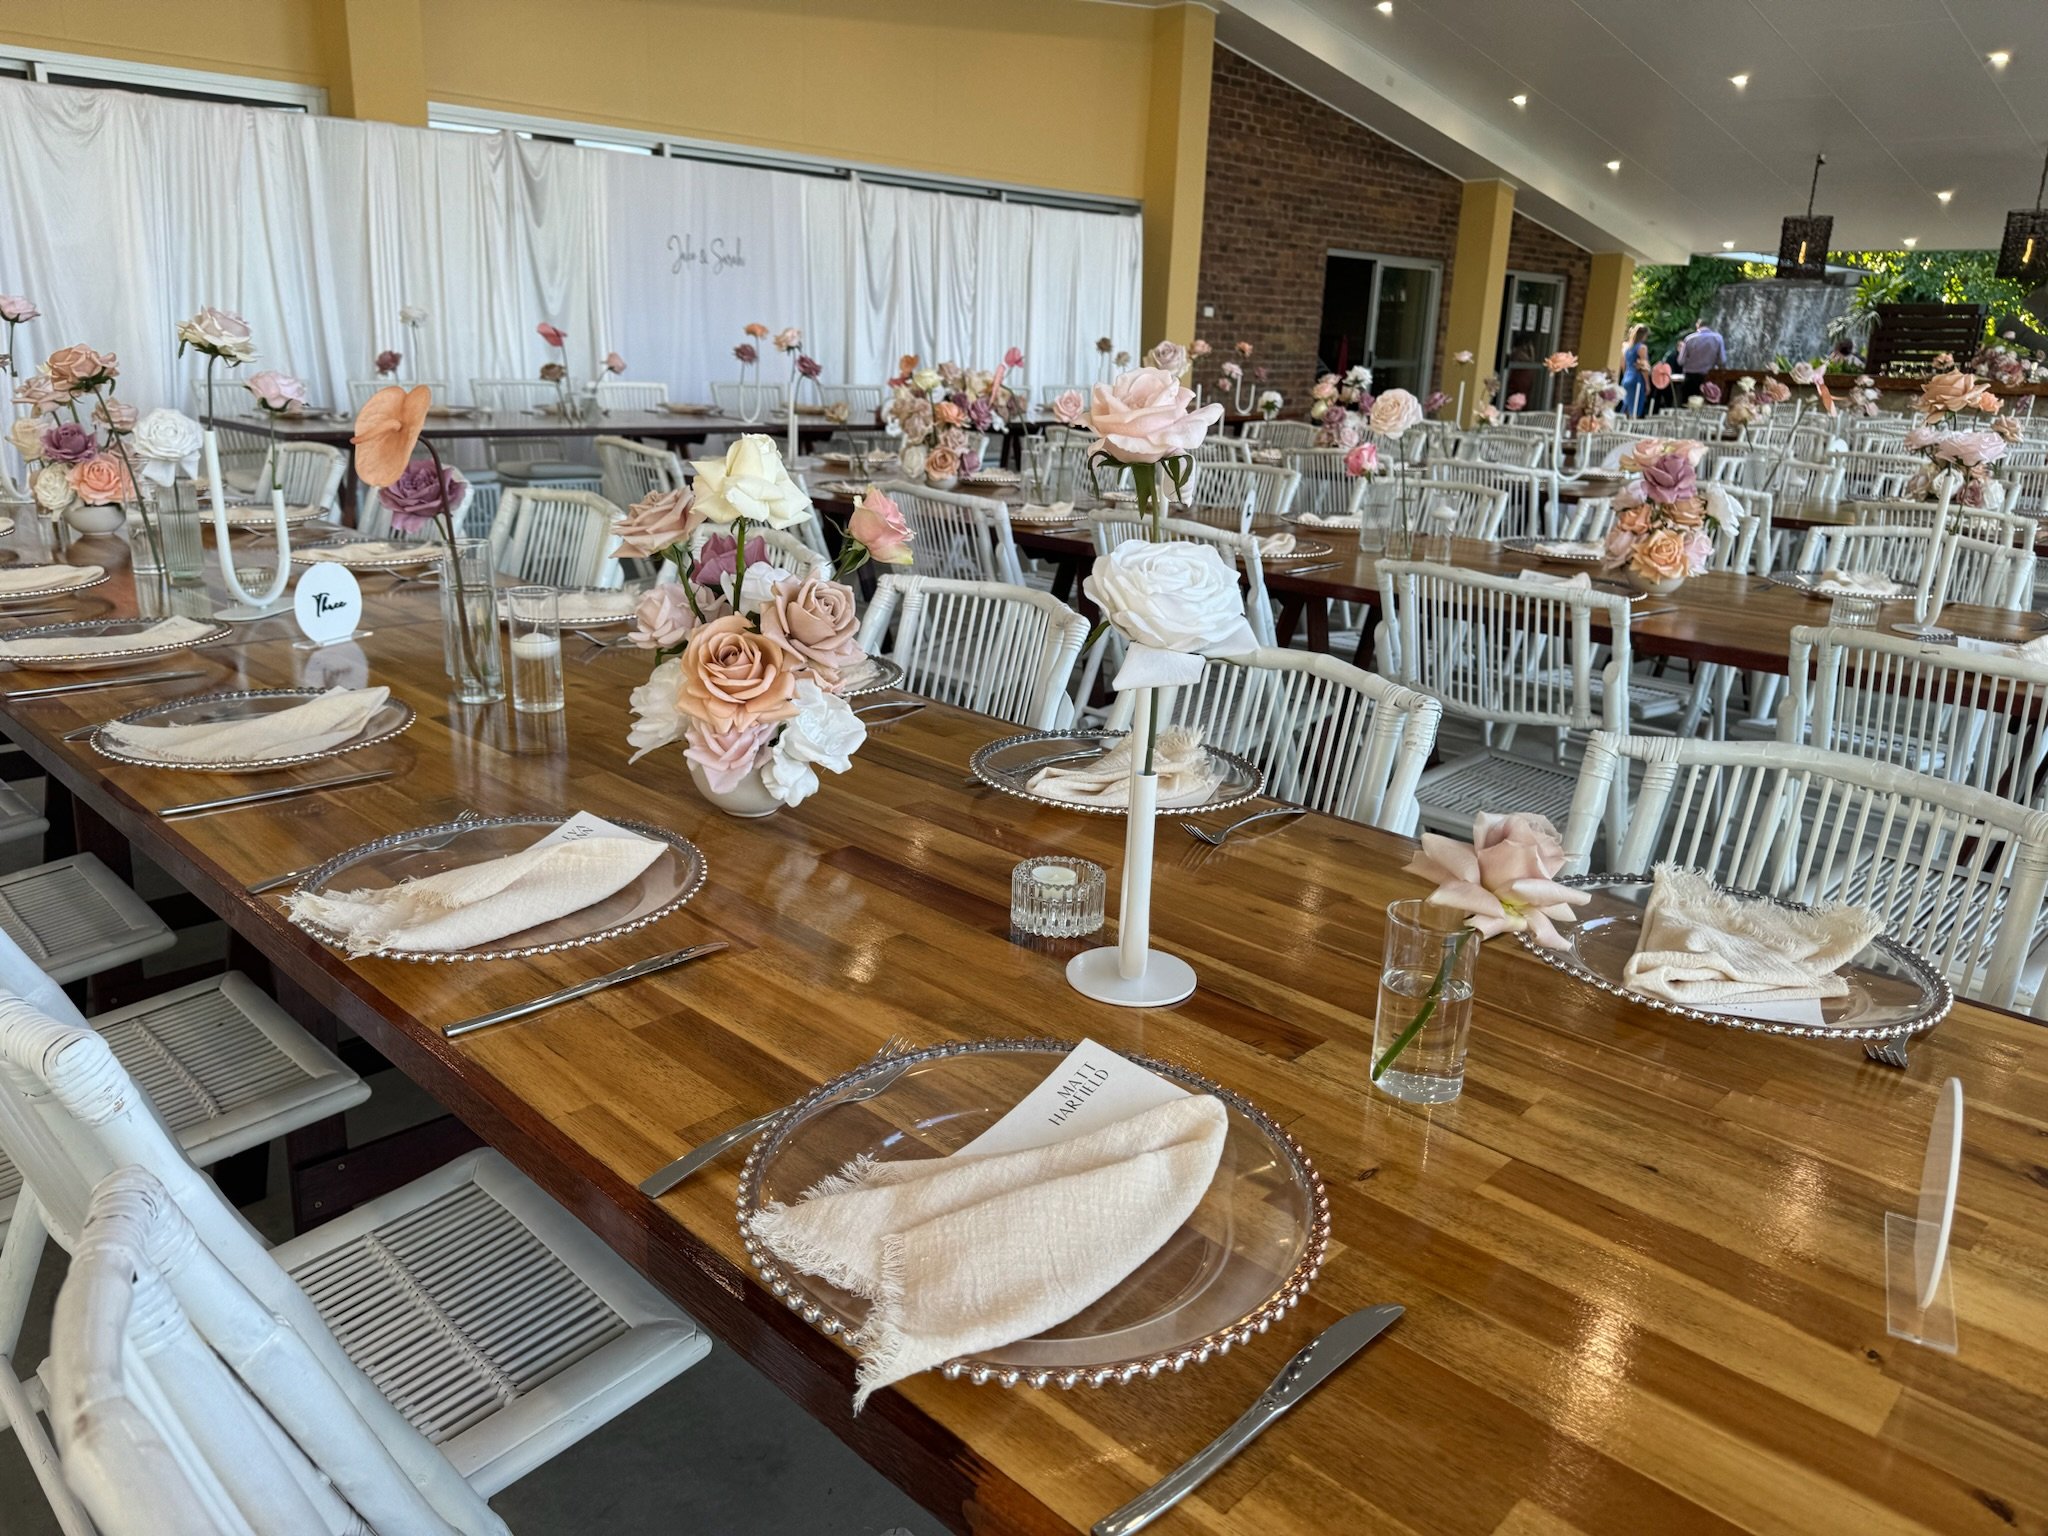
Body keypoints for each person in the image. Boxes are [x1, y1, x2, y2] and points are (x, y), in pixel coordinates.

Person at [1677, 317, 1726, 399]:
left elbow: (1681, 361)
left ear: (1697, 325)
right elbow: (1722, 361)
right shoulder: (1718, 338)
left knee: (1688, 403)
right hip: (1709, 377)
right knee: (1706, 403)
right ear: (1710, 326)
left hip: (1690, 377)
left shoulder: (1689, 339)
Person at [1619, 324, 1650, 417]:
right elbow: (1643, 367)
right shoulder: (1642, 348)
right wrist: (1647, 384)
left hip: (1627, 377)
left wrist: (1626, 375)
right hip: (1637, 378)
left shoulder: (1626, 347)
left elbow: (1623, 365)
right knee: (1635, 406)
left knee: (1627, 405)